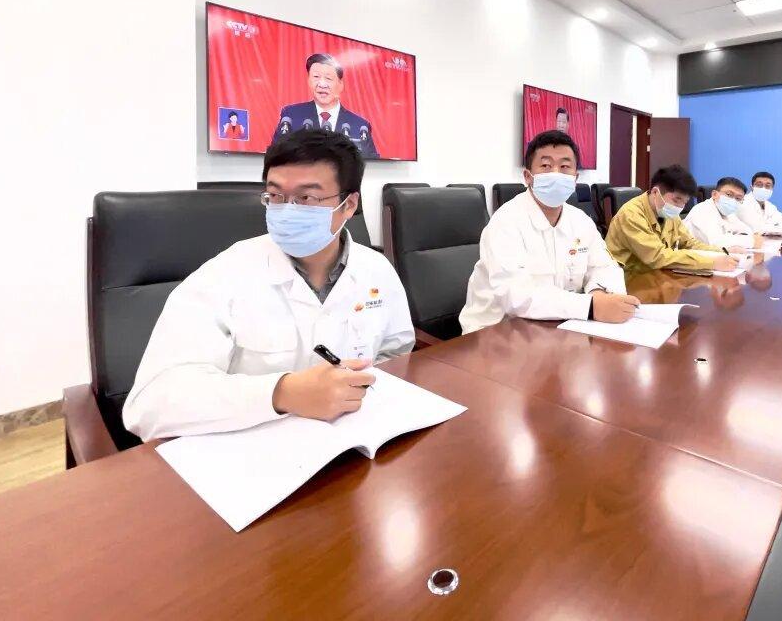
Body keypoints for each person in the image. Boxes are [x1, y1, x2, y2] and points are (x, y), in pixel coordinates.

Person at [123, 128, 413, 441]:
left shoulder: (376, 270)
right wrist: (282, 392)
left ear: (349, 204)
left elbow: (396, 352)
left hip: (353, 441)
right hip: (249, 449)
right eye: (275, 196)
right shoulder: (223, 275)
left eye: (306, 198)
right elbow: (150, 404)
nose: (287, 210)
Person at [459, 130, 637, 334]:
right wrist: (589, 306)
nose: (556, 173)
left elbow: (604, 267)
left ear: (575, 178)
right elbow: (514, 296)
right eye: (545, 166)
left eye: (565, 166)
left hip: (558, 327)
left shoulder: (581, 221)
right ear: (528, 177)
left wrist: (599, 293)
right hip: (496, 332)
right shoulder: (505, 222)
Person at [606, 165, 739, 276]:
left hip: (656, 274)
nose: (680, 207)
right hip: (626, 278)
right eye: (676, 200)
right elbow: (657, 256)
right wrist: (711, 263)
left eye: (684, 202)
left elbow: (689, 243)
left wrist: (722, 251)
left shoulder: (668, 212)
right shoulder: (631, 214)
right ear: (655, 192)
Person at [272, 53, 379, 159]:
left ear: (341, 84)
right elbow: (275, 157)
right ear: (308, 80)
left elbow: (373, 164)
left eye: (328, 78)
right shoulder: (291, 116)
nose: (322, 84)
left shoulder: (360, 126)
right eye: (316, 77)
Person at [683, 176, 762, 251]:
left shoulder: (728, 213)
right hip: (692, 256)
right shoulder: (703, 210)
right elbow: (717, 242)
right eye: (729, 194)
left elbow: (748, 231)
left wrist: (746, 239)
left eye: (738, 198)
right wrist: (751, 242)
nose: (733, 200)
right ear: (714, 194)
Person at [737, 171, 782, 236]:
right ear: (751, 187)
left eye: (768, 186)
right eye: (759, 185)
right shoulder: (743, 202)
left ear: (772, 189)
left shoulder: (770, 206)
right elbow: (757, 228)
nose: (763, 188)